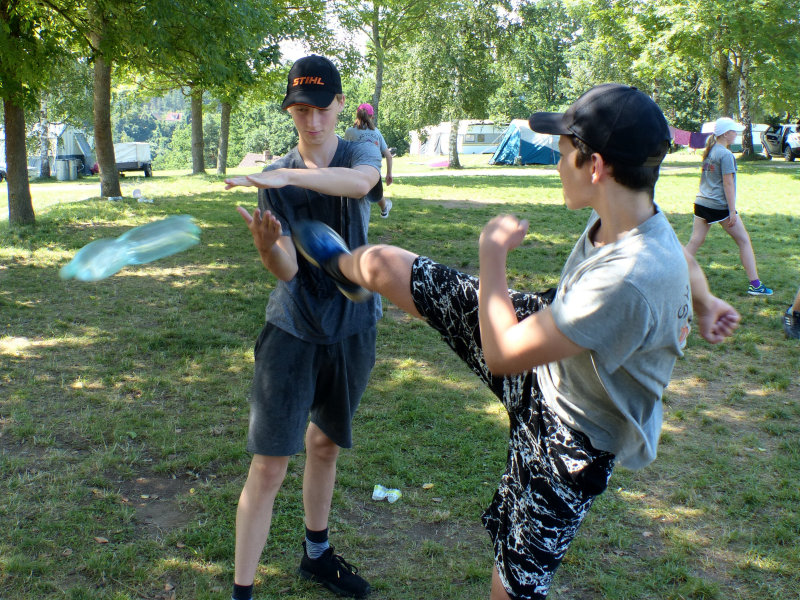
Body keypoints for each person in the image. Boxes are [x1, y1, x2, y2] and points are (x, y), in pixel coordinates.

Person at [287, 84, 741, 600]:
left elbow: (501, 354)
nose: (558, 164)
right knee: (389, 263)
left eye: (563, 152)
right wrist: (706, 301)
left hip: (570, 439)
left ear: (595, 166)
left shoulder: (629, 277)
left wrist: (492, 255)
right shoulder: (630, 215)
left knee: (511, 590)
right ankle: (342, 267)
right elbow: (678, 253)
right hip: (553, 335)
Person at [223, 55, 382, 600]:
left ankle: (317, 556)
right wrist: (268, 248)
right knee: (269, 467)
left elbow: (361, 184)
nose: (311, 121)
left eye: (320, 108)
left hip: (354, 325)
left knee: (325, 445)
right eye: (299, 110)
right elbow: (288, 270)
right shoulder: (275, 181)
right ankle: (242, 592)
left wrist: (286, 174)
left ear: (339, 103)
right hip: (293, 330)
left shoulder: (360, 148)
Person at [685, 117, 773, 296]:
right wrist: (732, 211)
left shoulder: (710, 151)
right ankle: (755, 285)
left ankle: (673, 275)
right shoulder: (725, 155)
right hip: (718, 206)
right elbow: (728, 184)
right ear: (725, 134)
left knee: (695, 241)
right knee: (744, 241)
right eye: (734, 131)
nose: (736, 134)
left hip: (701, 203)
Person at [343, 103, 394, 218]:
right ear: (372, 117)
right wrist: (389, 174)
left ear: (357, 115)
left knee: (360, 196)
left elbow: (345, 150)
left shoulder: (350, 132)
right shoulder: (376, 132)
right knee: (376, 192)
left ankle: (354, 218)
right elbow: (388, 156)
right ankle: (384, 209)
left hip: (356, 168)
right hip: (373, 170)